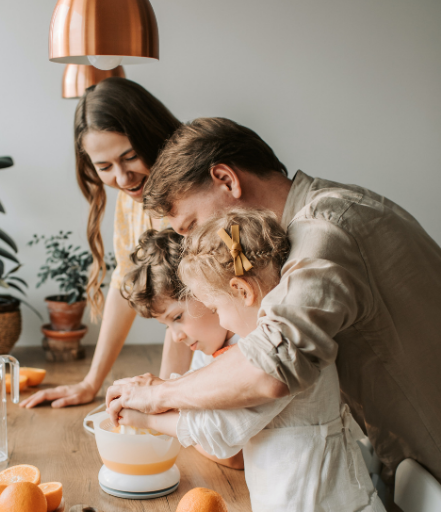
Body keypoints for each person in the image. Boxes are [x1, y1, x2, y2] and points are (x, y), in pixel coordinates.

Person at [106, 116, 441, 484]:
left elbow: (271, 366)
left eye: (190, 226)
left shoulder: (326, 229)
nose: (190, 247)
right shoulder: (302, 231)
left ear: (226, 180)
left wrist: (160, 394)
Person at [119, 210, 385, 511]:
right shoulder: (260, 341)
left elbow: (220, 431)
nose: (222, 319)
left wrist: (145, 418)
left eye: (215, 308)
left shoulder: (274, 353)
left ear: (242, 291)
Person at [20, 78, 191, 409]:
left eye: (130, 156)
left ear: (152, 134)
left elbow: (188, 301)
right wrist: (90, 383)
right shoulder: (133, 196)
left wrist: (166, 396)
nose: (123, 178)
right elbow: (125, 281)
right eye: (104, 167)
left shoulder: (190, 189)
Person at [120, 227, 244, 469]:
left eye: (177, 317)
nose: (176, 337)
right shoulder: (206, 350)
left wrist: (150, 419)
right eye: (167, 326)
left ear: (206, 289)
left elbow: (232, 455)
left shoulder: (249, 341)